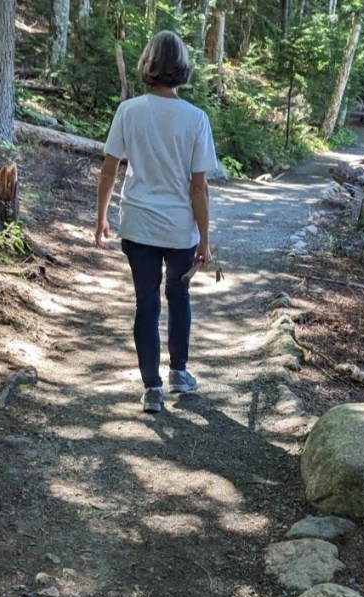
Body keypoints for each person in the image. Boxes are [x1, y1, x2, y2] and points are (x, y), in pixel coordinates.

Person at [94, 30, 218, 414]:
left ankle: (152, 388)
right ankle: (179, 372)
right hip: (179, 230)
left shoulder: (129, 111)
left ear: (148, 64)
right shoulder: (196, 119)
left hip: (139, 225)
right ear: (183, 67)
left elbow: (109, 170)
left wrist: (101, 217)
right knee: (178, 298)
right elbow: (199, 188)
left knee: (146, 304)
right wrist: (204, 239)